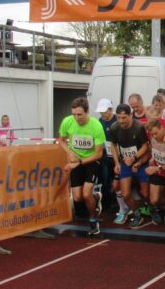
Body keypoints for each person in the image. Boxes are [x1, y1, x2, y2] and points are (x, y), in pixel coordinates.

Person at [59, 97, 106, 236]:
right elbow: (61, 140)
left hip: (91, 160)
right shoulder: (67, 122)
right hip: (76, 161)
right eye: (73, 114)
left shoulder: (96, 125)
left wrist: (78, 162)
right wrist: (70, 153)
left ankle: (93, 220)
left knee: (86, 194)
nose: (76, 118)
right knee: (77, 198)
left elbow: (98, 154)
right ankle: (95, 198)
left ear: (86, 112)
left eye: (79, 114)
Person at [110, 103, 150, 229]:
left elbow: (146, 146)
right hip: (125, 163)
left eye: (124, 118)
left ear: (130, 115)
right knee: (125, 194)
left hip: (140, 161)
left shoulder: (138, 127)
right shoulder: (114, 127)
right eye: (119, 118)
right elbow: (113, 145)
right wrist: (117, 163)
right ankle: (137, 214)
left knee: (146, 193)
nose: (121, 121)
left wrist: (134, 158)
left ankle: (151, 208)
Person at [96, 98, 127, 221]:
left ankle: (121, 205)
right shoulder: (100, 121)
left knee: (118, 180)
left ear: (110, 110)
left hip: (118, 155)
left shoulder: (117, 121)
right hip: (105, 155)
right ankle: (108, 205)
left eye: (104, 111)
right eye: (100, 112)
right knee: (105, 179)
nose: (102, 114)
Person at [146, 119, 165, 224]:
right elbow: (152, 149)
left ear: (162, 128)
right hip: (158, 171)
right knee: (154, 200)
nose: (154, 136)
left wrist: (157, 168)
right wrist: (152, 159)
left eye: (156, 133)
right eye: (152, 134)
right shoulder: (152, 138)